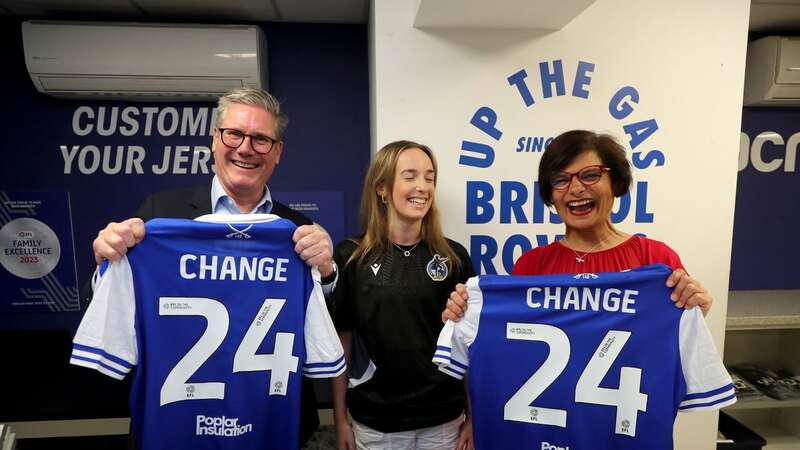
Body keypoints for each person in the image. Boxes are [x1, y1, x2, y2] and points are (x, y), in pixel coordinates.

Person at [89, 87, 337, 447]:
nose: (246, 147)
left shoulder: (299, 231)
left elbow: (333, 323)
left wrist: (326, 273)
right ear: (214, 140)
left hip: (270, 426)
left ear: (278, 152)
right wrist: (106, 266)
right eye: (234, 134)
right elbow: (106, 307)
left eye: (261, 139)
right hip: (178, 425)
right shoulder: (158, 216)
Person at [443, 129, 713, 322]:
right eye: (560, 179)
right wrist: (466, 314)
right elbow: (509, 344)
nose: (575, 189)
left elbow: (676, 338)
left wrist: (695, 311)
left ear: (615, 182)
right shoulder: (531, 266)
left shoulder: (656, 259)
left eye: (590, 175)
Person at [330, 140, 476, 450]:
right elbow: (341, 345)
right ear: (382, 188)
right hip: (376, 423)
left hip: (443, 421)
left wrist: (473, 417)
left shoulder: (454, 258)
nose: (422, 186)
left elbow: (467, 343)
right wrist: (340, 419)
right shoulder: (350, 257)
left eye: (429, 177)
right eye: (410, 176)